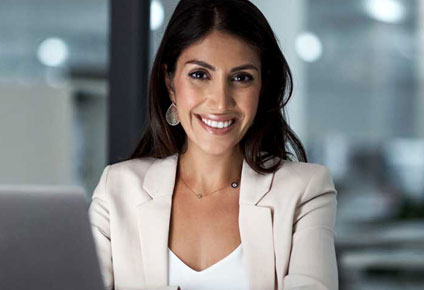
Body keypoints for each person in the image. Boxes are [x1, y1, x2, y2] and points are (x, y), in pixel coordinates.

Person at [88, 0, 338, 289]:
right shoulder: (118, 189)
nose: (220, 101)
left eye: (241, 78)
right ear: (170, 83)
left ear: (263, 88)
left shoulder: (304, 191)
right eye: (199, 75)